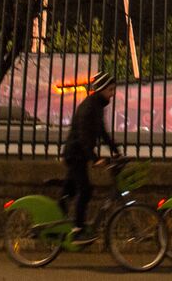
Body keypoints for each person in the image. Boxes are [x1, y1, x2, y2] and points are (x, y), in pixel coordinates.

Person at [60, 70, 119, 235]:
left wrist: (116, 151)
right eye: (110, 90)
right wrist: (94, 159)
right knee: (85, 190)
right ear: (101, 89)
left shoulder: (97, 106)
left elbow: (102, 132)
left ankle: (58, 223)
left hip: (79, 155)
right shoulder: (89, 108)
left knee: (70, 191)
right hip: (75, 155)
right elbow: (83, 137)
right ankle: (77, 228)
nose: (112, 94)